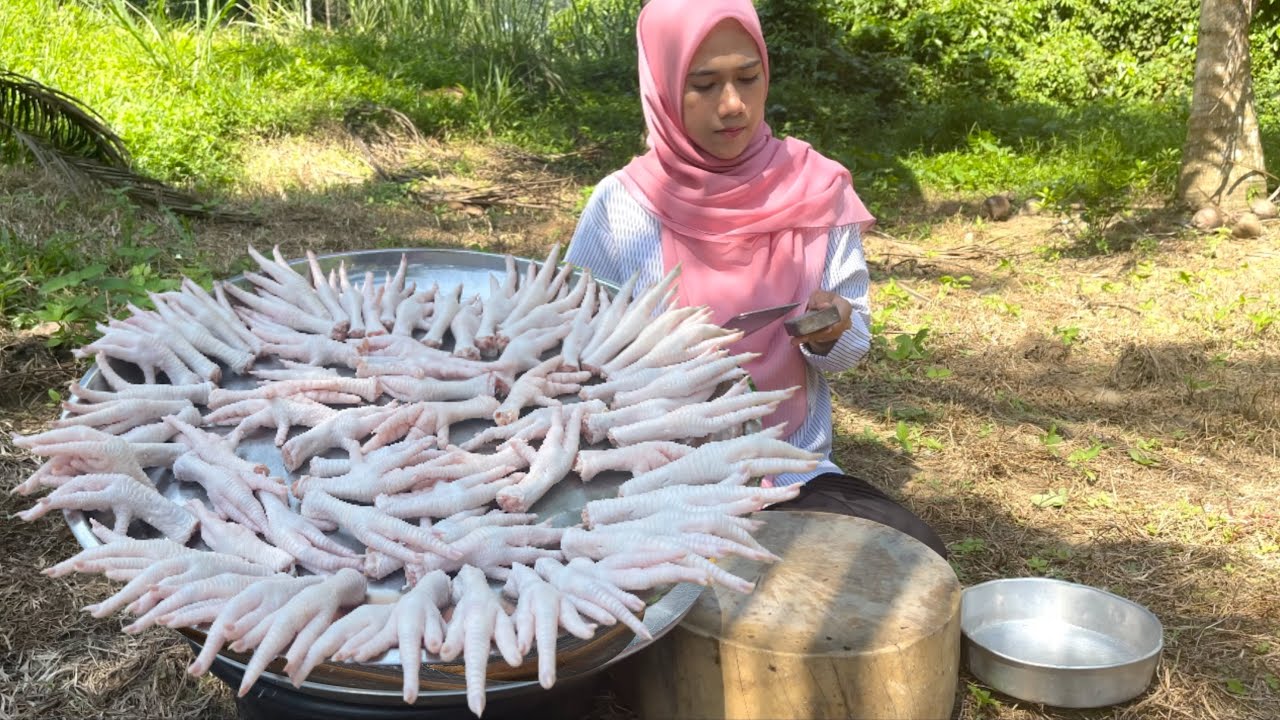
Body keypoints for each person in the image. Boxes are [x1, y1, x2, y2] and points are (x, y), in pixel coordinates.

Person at [566, 0, 947, 558]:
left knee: (913, 557)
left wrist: (832, 332)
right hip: (652, 479)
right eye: (704, 85)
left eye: (748, 78)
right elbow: (568, 351)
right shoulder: (622, 206)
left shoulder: (815, 189)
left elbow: (849, 349)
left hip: (790, 473)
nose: (732, 105)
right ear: (663, 88)